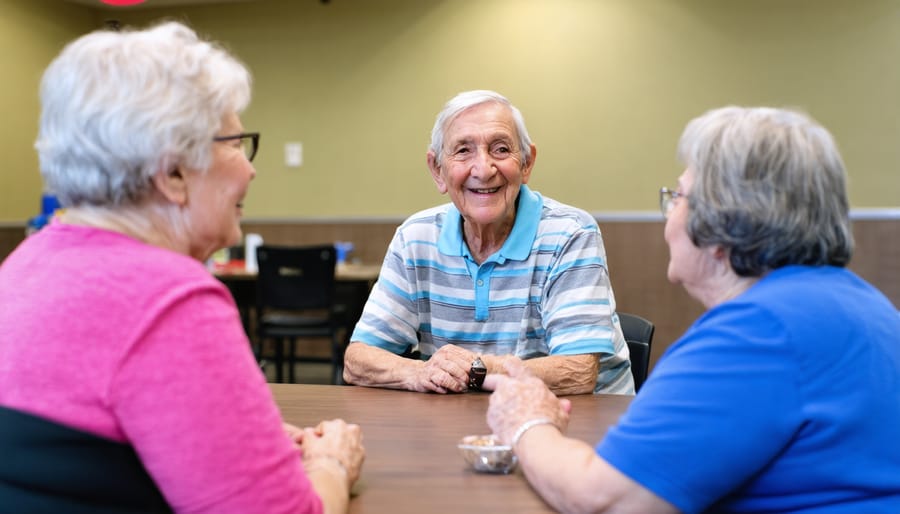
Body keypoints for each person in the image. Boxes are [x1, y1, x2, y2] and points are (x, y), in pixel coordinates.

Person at [0, 22, 364, 513]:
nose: (250, 168)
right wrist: (332, 463)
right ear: (172, 173)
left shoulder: (26, 265)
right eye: (237, 142)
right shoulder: (169, 297)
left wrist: (224, 437)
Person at [483, 106, 900, 513]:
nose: (670, 215)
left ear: (724, 223)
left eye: (678, 196)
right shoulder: (862, 304)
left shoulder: (758, 335)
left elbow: (604, 499)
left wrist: (527, 422)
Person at [343, 90, 633, 395]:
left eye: (501, 149)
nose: (483, 169)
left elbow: (578, 371)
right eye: (464, 151)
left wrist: (477, 369)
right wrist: (420, 372)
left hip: (583, 425)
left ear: (526, 164)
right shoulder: (415, 238)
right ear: (437, 170)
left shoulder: (570, 233)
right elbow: (358, 360)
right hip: (466, 427)